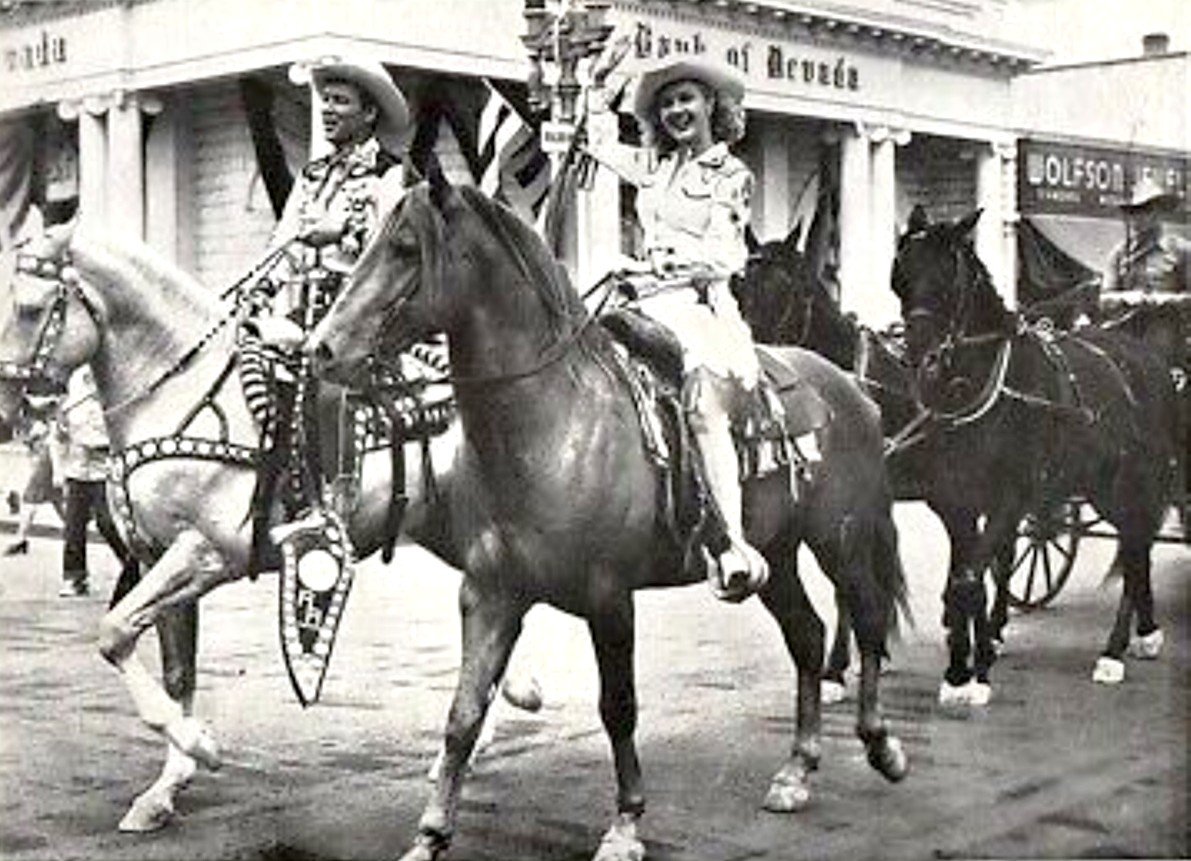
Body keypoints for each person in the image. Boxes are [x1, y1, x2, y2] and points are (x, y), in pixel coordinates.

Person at [584, 57, 825, 600]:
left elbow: (725, 256)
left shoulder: (731, 175)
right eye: (666, 103)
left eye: (686, 99)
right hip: (641, 301)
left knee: (703, 400)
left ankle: (732, 542)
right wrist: (594, 91)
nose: (676, 111)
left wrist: (653, 265)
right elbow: (597, 143)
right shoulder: (657, 166)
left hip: (699, 304)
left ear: (713, 106)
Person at [245, 58, 414, 528]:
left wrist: (345, 230)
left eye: (341, 102)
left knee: (329, 390)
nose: (328, 111)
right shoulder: (312, 176)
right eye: (326, 101)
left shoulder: (391, 175)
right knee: (247, 361)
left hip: (363, 314)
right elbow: (281, 245)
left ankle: (338, 502)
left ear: (370, 114)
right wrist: (255, 292)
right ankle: (271, 487)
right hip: (305, 310)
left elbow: (393, 251)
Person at [55, 366, 140, 598]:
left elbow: (117, 434)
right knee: (73, 526)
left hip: (104, 471)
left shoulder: (114, 393)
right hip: (77, 469)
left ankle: (133, 565)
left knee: (107, 522)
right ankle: (74, 577)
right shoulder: (75, 390)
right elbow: (61, 431)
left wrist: (96, 443)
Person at [1103, 174, 1189, 295]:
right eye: (1133, 212)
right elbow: (1106, 298)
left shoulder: (1181, 251)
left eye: (1146, 210)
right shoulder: (1119, 254)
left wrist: (1162, 301)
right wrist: (1128, 297)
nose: (1138, 217)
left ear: (1159, 212)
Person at [3, 390, 63, 557]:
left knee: (30, 497)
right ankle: (74, 531)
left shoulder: (34, 407)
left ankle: (20, 538)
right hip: (42, 454)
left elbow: (49, 434)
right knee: (56, 499)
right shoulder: (15, 416)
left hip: (48, 454)